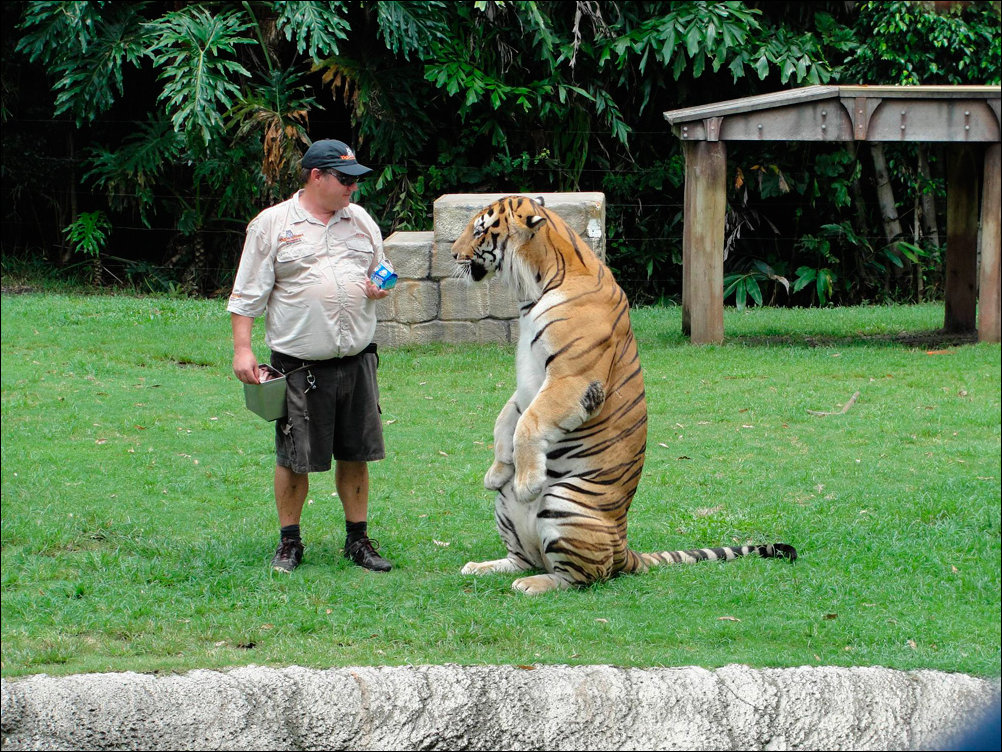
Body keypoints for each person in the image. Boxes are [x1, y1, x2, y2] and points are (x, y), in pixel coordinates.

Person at [228, 139, 393, 574]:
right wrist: (242, 350)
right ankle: (289, 542)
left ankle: (357, 540)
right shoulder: (273, 225)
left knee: (356, 453)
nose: (352, 189)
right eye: (345, 179)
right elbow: (246, 295)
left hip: (357, 360)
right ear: (315, 176)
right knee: (293, 456)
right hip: (298, 365)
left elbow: (383, 266)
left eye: (356, 180)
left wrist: (380, 284)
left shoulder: (361, 222)